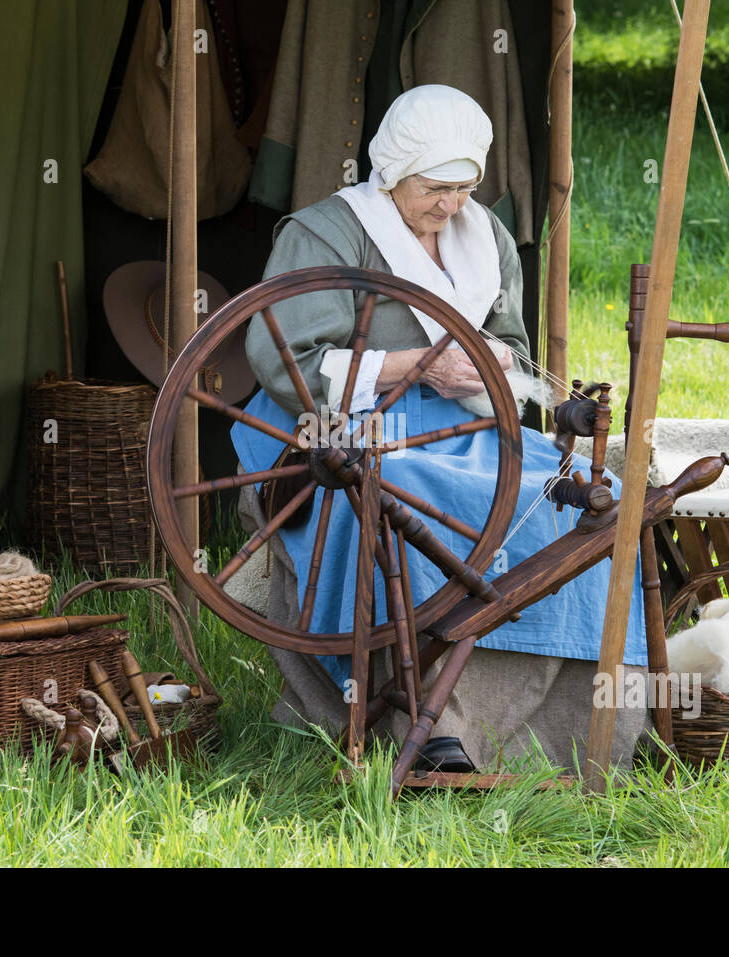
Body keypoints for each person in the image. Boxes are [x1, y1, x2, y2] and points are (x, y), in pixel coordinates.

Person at [232, 85, 651, 772]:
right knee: (396, 490)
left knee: (575, 493)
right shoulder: (327, 233)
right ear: (395, 170)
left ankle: (586, 725)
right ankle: (425, 714)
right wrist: (420, 364)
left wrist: (489, 369)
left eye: (465, 187)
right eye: (436, 187)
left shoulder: (485, 238)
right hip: (349, 427)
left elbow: (510, 344)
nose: (452, 204)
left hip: (473, 424)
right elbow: (287, 355)